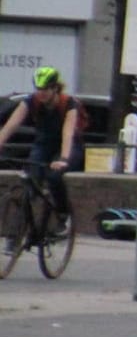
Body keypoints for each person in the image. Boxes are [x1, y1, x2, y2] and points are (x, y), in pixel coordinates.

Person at [0, 65, 84, 232]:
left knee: (54, 177)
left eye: (45, 89)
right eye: (38, 89)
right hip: (43, 143)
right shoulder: (31, 102)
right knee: (30, 179)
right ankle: (22, 226)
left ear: (55, 88)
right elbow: (11, 125)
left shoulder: (69, 103)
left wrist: (63, 159)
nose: (41, 93)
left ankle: (62, 214)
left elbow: (68, 133)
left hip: (67, 146)